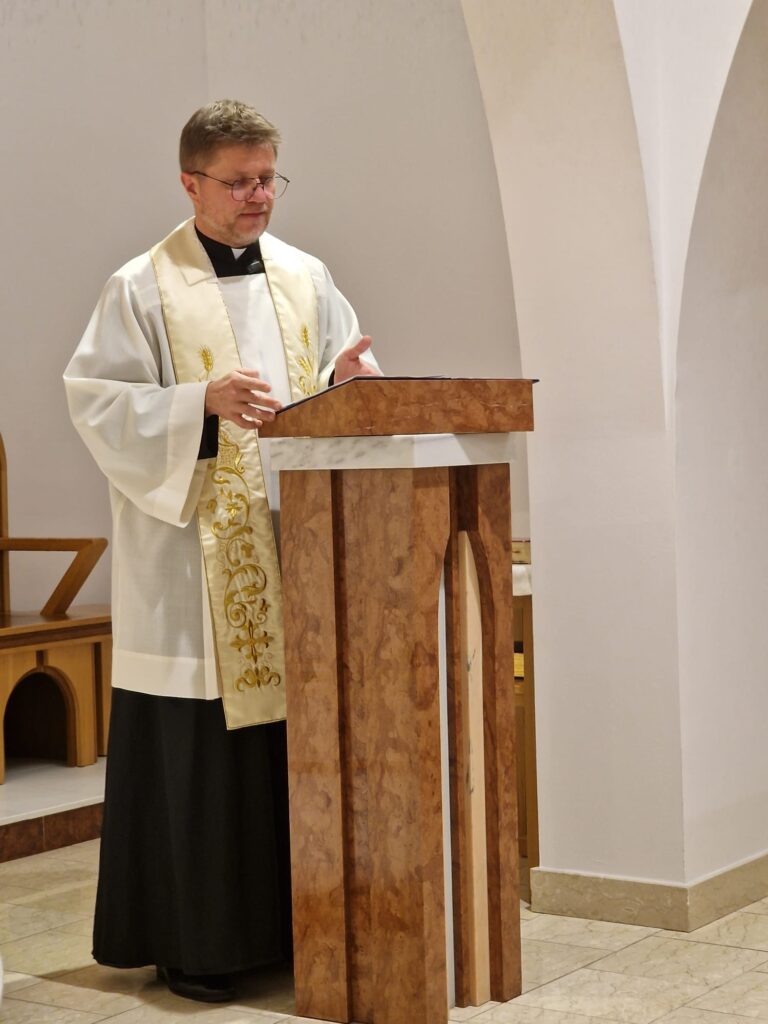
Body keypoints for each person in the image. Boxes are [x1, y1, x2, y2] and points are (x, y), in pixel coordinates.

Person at [64, 99, 380, 1004]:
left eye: (268, 178)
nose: (258, 197)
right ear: (190, 183)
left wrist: (349, 386)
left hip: (297, 552)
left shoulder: (307, 277)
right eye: (238, 182)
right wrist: (195, 405)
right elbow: (97, 401)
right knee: (200, 759)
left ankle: (297, 931)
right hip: (190, 573)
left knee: (293, 747)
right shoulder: (140, 286)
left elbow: (341, 381)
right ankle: (197, 947)